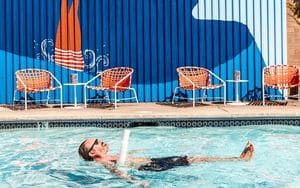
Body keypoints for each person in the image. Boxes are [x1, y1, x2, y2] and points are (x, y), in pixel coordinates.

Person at [78, 139, 254, 185]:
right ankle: (239, 160)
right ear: (93, 152)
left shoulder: (110, 155)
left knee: (193, 158)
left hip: (153, 161)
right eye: (97, 142)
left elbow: (123, 159)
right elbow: (116, 172)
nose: (101, 142)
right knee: (194, 159)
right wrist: (136, 182)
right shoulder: (103, 162)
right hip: (150, 167)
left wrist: (135, 152)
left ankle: (237, 159)